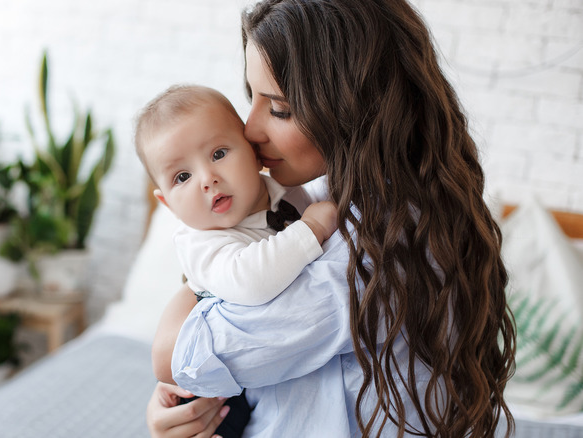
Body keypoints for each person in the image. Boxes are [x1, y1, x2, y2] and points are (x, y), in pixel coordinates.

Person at [146, 0, 516, 437]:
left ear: (354, 109)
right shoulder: (326, 196)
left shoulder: (377, 244)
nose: (249, 129)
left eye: (279, 108)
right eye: (252, 98)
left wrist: (195, 282)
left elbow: (174, 356)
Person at [135, 84, 338, 438]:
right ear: (166, 203)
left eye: (218, 153)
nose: (207, 179)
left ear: (252, 151)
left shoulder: (287, 190)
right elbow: (250, 281)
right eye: (182, 177)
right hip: (215, 394)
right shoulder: (200, 240)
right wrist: (312, 228)